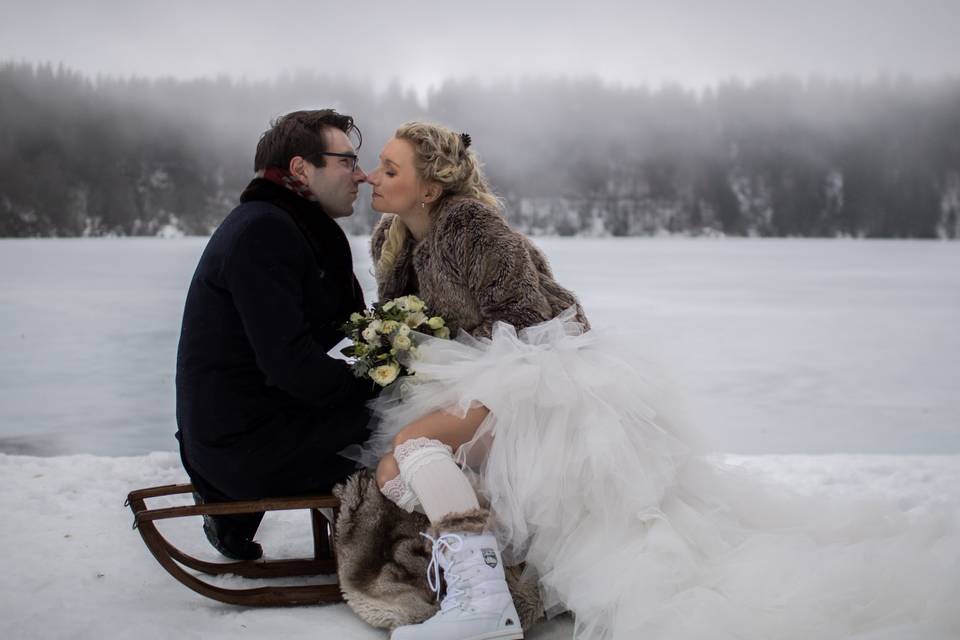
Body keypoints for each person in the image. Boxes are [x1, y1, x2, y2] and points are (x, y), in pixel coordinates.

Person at [345, 121, 959, 640]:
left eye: (389, 168)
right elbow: (407, 318)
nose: (374, 176)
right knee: (397, 473)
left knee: (415, 448)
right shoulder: (391, 240)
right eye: (376, 166)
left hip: (535, 370)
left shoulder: (472, 228)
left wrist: (460, 366)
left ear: (430, 185)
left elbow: (532, 320)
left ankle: (481, 607)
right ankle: (503, 574)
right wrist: (393, 340)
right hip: (471, 370)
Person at [176, 109, 375, 560]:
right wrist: (383, 383)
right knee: (415, 425)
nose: (360, 175)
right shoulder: (265, 232)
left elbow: (333, 335)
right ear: (302, 168)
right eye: (346, 161)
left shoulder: (288, 225)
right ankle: (413, 554)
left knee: (407, 405)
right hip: (246, 448)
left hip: (251, 428)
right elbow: (294, 366)